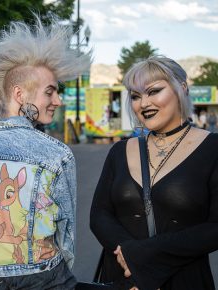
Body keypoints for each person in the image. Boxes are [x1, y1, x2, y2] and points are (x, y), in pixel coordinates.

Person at [0, 15, 90, 290]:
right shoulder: (57, 154)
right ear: (19, 94)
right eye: (49, 92)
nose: (58, 100)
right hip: (51, 277)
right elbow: (66, 235)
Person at [90, 55, 218, 290]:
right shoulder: (119, 150)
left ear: (182, 88)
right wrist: (129, 258)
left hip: (182, 280)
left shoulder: (213, 148)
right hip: (121, 279)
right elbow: (99, 215)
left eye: (153, 91)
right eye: (136, 96)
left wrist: (145, 256)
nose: (143, 103)